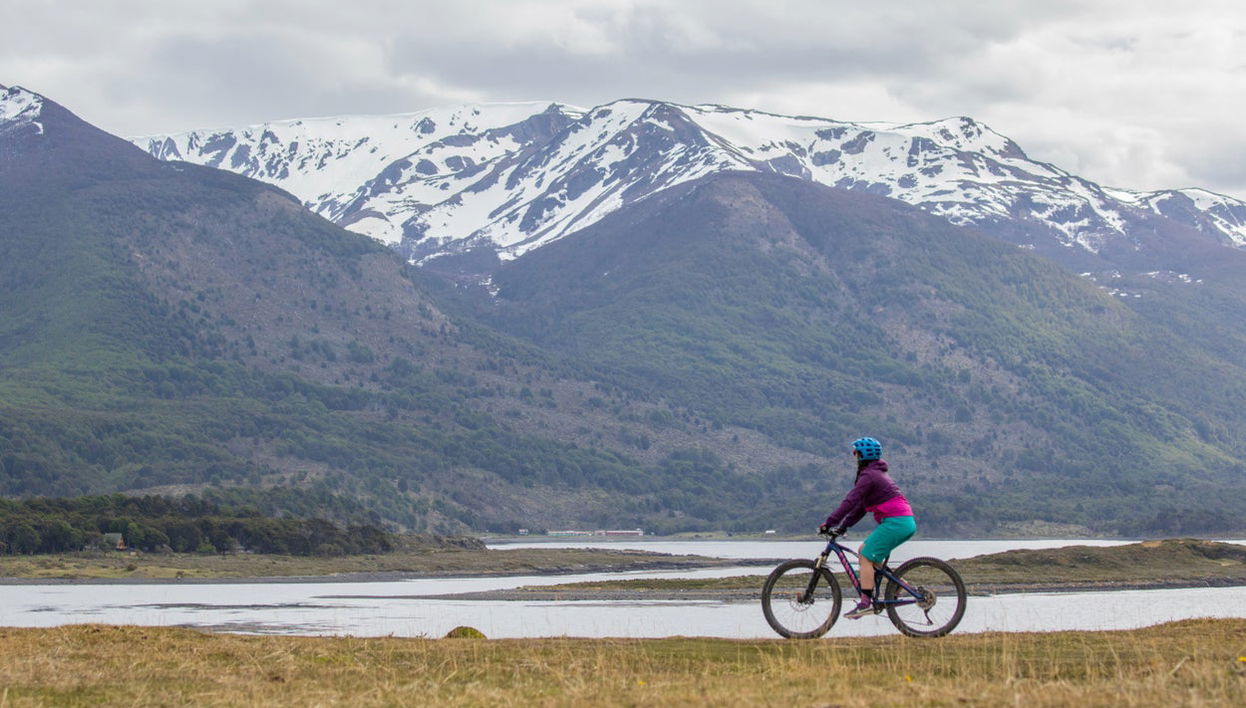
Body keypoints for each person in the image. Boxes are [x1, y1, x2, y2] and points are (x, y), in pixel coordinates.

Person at [818, 437, 916, 619]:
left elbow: (850, 500)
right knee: (866, 551)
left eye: (856, 453)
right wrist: (843, 526)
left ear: (863, 455)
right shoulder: (874, 474)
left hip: (896, 522)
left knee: (865, 556)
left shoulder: (869, 476)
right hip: (901, 522)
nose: (854, 457)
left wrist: (830, 522)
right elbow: (860, 508)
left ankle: (865, 603)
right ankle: (902, 586)